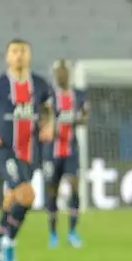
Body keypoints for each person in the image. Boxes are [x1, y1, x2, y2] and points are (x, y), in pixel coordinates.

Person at [0, 39, 55, 261]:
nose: (19, 56)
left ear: (29, 56)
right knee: (27, 194)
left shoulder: (39, 85)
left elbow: (49, 110)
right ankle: (7, 242)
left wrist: (49, 126)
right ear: (7, 57)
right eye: (14, 52)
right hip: (5, 148)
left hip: (31, 150)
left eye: (23, 52)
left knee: (13, 198)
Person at [44, 60, 88, 248]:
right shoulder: (49, 96)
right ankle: (53, 233)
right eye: (59, 72)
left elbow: (85, 117)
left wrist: (76, 119)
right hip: (52, 150)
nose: (62, 75)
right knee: (52, 190)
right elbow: (42, 119)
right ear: (54, 75)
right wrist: (51, 125)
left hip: (71, 149)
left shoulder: (78, 95)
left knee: (74, 186)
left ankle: (72, 232)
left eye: (65, 72)